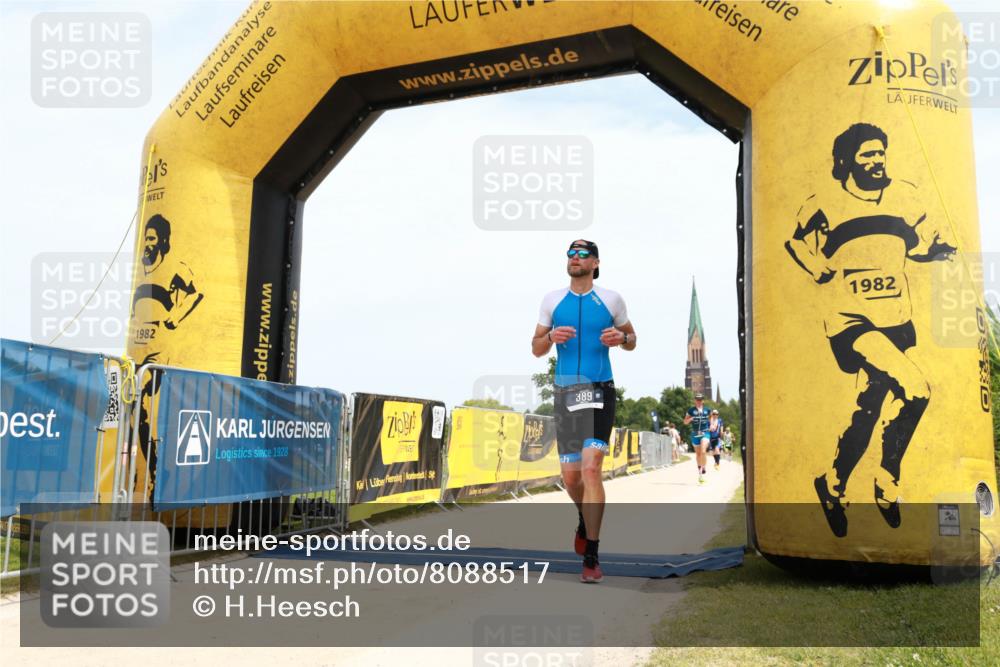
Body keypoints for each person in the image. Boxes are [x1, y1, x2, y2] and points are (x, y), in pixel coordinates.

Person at [785, 123, 955, 537]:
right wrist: (815, 265)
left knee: (867, 410)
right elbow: (795, 241)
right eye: (867, 155)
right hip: (851, 321)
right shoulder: (824, 201)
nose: (877, 161)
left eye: (880, 153)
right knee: (917, 388)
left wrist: (936, 253)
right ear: (846, 161)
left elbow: (915, 247)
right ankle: (887, 479)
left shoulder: (906, 196)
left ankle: (833, 483)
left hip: (897, 319)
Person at [532, 239, 636, 583]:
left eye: (582, 255)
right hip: (565, 395)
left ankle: (591, 556)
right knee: (571, 478)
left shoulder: (611, 299)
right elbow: (535, 348)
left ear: (595, 262)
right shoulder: (552, 300)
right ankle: (583, 517)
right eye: (570, 254)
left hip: (599, 392)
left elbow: (632, 338)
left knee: (591, 471)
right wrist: (551, 339)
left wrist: (620, 340)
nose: (574, 259)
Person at [683, 393, 711, 484]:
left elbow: (712, 421)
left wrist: (712, 426)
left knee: (703, 451)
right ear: (695, 400)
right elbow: (685, 422)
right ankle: (700, 472)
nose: (699, 401)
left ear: (703, 401)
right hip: (695, 434)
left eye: (700, 399)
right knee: (698, 454)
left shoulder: (707, 410)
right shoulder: (691, 410)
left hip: (705, 433)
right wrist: (690, 419)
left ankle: (703, 467)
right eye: (697, 399)